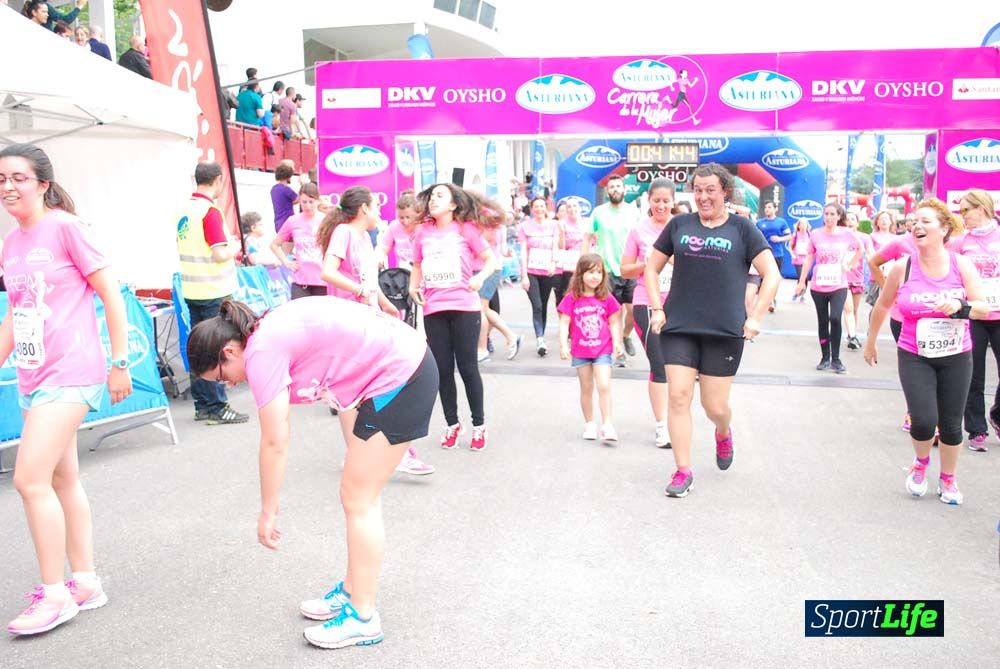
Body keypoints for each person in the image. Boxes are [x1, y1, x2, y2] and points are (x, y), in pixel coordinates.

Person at [186, 297, 438, 649]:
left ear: (229, 351)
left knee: (359, 497)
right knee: (357, 494)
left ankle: (363, 617)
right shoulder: (264, 330)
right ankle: (353, 592)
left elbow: (275, 440)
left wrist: (268, 512)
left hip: (401, 374)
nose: (227, 385)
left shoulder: (261, 352)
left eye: (221, 376)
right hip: (397, 367)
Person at [1, 143, 132, 635]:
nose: (8, 188)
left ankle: (55, 595)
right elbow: (16, 313)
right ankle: (85, 581)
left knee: (28, 480)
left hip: (73, 370)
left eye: (18, 177)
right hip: (35, 376)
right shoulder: (11, 243)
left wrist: (119, 363)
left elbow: (110, 294)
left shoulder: (66, 228)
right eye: (0, 180)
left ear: (43, 183)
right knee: (61, 480)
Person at [644, 163, 779, 498]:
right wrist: (657, 309)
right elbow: (650, 267)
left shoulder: (743, 229)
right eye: (698, 190)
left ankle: (722, 431)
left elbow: (771, 275)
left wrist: (756, 316)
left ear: (725, 192)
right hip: (679, 326)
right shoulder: (679, 224)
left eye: (710, 190)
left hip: (724, 330)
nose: (703, 196)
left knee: (714, 406)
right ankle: (683, 470)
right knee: (677, 396)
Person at [864, 198, 986, 505]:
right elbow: (883, 303)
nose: (916, 226)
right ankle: (920, 465)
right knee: (922, 419)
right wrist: (870, 340)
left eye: (925, 221)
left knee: (950, 423)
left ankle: (948, 479)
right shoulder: (903, 267)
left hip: (956, 355)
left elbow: (983, 307)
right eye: (913, 221)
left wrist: (961, 306)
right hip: (914, 352)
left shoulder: (961, 264)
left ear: (944, 229)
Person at [409, 183, 498, 451]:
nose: (433, 200)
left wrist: (479, 278)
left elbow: (491, 260)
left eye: (440, 196)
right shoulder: (422, 232)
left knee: (468, 368)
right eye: (432, 196)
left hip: (464, 307)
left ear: (453, 205)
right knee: (443, 370)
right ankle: (452, 424)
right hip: (434, 308)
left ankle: (478, 425)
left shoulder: (465, 230)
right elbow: (417, 264)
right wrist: (414, 287)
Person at [176, 161, 248, 425]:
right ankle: (218, 406)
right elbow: (219, 252)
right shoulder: (210, 211)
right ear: (218, 180)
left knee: (199, 347)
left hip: (193, 289)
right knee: (217, 349)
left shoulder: (185, 210)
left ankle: (203, 404)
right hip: (214, 289)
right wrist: (235, 248)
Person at [620, 178, 674, 448]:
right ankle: (662, 426)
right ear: (648, 202)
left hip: (679, 304)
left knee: (679, 365)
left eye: (666, 201)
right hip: (646, 302)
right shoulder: (638, 232)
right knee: (659, 363)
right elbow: (624, 269)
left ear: (673, 202)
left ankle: (676, 419)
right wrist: (650, 263)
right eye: (656, 201)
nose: (661, 205)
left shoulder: (682, 228)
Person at [950, 189, 1000, 452]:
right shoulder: (961, 242)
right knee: (975, 373)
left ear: (981, 209)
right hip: (974, 314)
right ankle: (976, 429)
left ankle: (997, 416)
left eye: (965, 210)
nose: (963, 215)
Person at [558, 254, 623, 442]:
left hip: (603, 349)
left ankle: (608, 425)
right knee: (586, 387)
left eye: (599, 272)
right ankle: (589, 424)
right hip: (581, 351)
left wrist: (617, 341)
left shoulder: (606, 298)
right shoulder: (572, 298)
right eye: (590, 272)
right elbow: (564, 322)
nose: (595, 277)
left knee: (604, 385)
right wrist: (563, 344)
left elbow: (614, 322)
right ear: (580, 274)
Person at [794, 203, 861, 374]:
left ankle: (836, 359)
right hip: (819, 285)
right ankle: (825, 357)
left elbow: (861, 249)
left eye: (832, 214)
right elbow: (809, 258)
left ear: (839, 216)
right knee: (823, 321)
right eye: (826, 214)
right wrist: (802, 282)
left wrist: (851, 265)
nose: (829, 217)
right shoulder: (816, 234)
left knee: (835, 318)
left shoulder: (846, 234)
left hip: (839, 284)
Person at [585, 174, 640, 366]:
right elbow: (588, 237)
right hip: (606, 270)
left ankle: (625, 336)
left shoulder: (634, 212)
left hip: (630, 269)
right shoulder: (599, 212)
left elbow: (642, 239)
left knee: (633, 311)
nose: (615, 189)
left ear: (624, 190)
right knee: (613, 313)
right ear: (607, 191)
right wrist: (583, 263)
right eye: (612, 187)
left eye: (618, 186)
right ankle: (618, 351)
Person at [470, 194, 521, 363]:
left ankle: (482, 348)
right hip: (487, 267)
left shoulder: (486, 219)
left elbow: (483, 242)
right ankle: (510, 336)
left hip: (487, 269)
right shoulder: (495, 221)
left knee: (480, 308)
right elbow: (503, 248)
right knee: (483, 308)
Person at [519, 197, 562, 356]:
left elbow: (555, 246)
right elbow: (523, 251)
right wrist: (524, 274)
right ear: (531, 208)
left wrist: (553, 263)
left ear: (546, 208)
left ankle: (541, 336)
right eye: (536, 206)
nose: (539, 209)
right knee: (536, 305)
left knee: (543, 304)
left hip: (547, 271)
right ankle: (539, 339)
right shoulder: (525, 226)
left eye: (541, 206)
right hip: (531, 271)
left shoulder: (553, 225)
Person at [269, 183, 325, 299]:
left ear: (318, 201)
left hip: (323, 281)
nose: (308, 206)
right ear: (299, 201)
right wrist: (287, 262)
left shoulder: (326, 220)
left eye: (311, 201)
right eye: (304, 202)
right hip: (301, 281)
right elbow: (274, 244)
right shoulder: (293, 221)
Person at [843, 211, 874, 351]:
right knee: (846, 308)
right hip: (840, 278)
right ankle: (850, 334)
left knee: (854, 309)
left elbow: (872, 254)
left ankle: (852, 335)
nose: (849, 221)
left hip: (857, 277)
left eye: (852, 219)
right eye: (847, 219)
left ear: (857, 222)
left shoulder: (864, 238)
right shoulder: (839, 237)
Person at [756, 201, 791, 312]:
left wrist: (780, 239)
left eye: (770, 207)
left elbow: (789, 236)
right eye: (765, 207)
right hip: (762, 253)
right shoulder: (760, 223)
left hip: (777, 254)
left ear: (775, 209)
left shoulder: (781, 222)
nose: (767, 209)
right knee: (762, 279)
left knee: (773, 279)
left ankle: (771, 300)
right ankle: (764, 301)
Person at [554, 199, 587, 306]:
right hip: (567, 265)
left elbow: (594, 242)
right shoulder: (561, 224)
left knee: (583, 295)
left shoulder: (587, 223)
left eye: (574, 206)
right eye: (569, 207)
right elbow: (561, 247)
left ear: (580, 208)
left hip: (583, 263)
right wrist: (562, 233)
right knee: (566, 295)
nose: (572, 209)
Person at [269, 160, 297, 233]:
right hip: (287, 222)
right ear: (289, 176)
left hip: (278, 223)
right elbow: (299, 200)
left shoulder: (274, 189)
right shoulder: (286, 189)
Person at [789, 218, 812, 303]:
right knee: (800, 276)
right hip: (797, 259)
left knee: (805, 277)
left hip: (806, 259)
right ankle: (797, 293)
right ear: (798, 225)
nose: (803, 226)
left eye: (804, 224)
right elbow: (790, 246)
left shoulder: (809, 234)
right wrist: (792, 254)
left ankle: (802, 295)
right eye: (801, 224)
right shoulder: (796, 234)